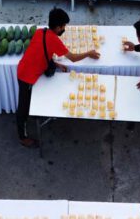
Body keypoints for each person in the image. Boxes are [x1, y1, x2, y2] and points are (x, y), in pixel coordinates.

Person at [16, 8, 101, 147]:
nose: (64, 29)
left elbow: (41, 52)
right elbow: (73, 58)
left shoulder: (40, 32)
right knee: (23, 107)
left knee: (25, 104)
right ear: (58, 27)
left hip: (23, 67)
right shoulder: (54, 40)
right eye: (64, 26)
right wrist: (88, 53)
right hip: (26, 76)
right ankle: (22, 137)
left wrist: (56, 64)